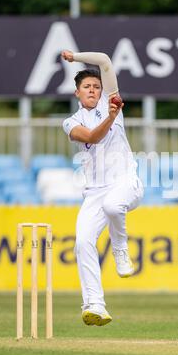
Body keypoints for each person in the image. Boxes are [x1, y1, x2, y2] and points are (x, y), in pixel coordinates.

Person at [61, 50, 144, 326]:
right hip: (94, 191)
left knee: (113, 206)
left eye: (97, 86)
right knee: (83, 242)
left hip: (125, 182)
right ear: (77, 93)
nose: (93, 90)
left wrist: (76, 56)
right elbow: (93, 137)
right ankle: (95, 304)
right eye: (87, 87)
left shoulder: (110, 101)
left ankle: (120, 248)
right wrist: (111, 117)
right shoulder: (71, 123)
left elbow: (106, 61)